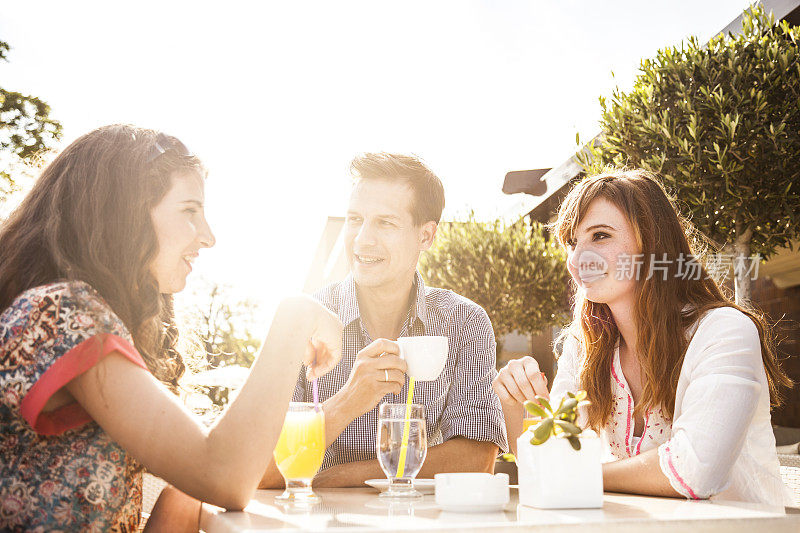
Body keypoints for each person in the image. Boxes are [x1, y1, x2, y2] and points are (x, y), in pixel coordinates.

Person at [0, 124, 343, 531]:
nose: (209, 237)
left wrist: (189, 489)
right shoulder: (62, 314)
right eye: (189, 211)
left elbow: (208, 480)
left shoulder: (67, 312)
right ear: (124, 215)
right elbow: (225, 476)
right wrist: (296, 315)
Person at [493, 169, 792, 505]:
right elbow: (545, 466)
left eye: (601, 236)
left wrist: (578, 473)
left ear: (652, 244)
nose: (577, 260)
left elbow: (695, 471)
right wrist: (513, 405)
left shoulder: (723, 331)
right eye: (572, 243)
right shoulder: (584, 346)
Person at [261, 153, 507, 488]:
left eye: (385, 223)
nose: (362, 238)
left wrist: (338, 477)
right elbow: (261, 469)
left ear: (426, 236)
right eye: (355, 219)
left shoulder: (464, 322)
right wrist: (348, 401)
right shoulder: (302, 322)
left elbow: (476, 460)